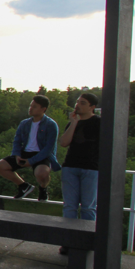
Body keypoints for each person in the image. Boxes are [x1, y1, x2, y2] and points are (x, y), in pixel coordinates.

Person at [0, 95, 61, 202]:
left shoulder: (51, 125)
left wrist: (31, 161)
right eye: (30, 105)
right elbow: (17, 141)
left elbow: (49, 148)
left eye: (34, 106)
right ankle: (24, 186)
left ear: (43, 109)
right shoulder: (24, 123)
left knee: (42, 174)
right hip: (24, 152)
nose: (30, 108)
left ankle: (43, 188)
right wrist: (17, 155)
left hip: (41, 154)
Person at [58, 92, 100, 234]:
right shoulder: (73, 122)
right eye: (77, 102)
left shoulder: (99, 122)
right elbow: (64, 143)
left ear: (92, 107)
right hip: (70, 167)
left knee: (88, 207)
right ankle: (68, 239)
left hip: (91, 168)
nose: (78, 105)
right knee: (69, 206)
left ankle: (87, 239)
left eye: (83, 103)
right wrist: (74, 122)